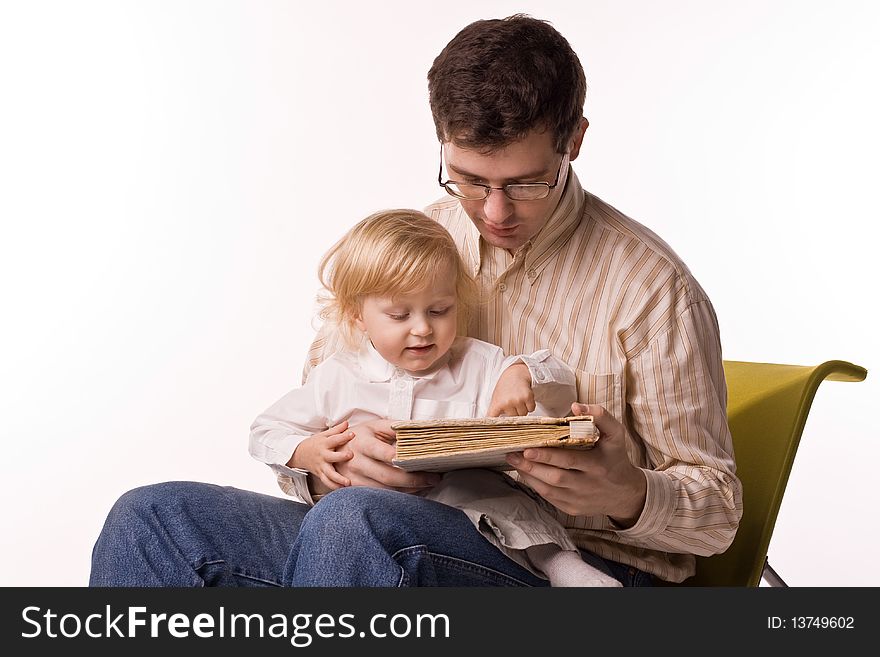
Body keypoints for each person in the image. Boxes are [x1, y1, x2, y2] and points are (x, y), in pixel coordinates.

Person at [90, 14, 742, 587]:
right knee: (152, 520)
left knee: (356, 526)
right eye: (466, 179)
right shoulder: (408, 247)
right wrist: (332, 467)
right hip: (368, 535)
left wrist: (630, 492)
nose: (494, 211)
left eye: (525, 182)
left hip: (577, 565)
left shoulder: (653, 292)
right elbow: (317, 410)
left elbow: (717, 515)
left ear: (574, 141)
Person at [249, 208, 621, 587]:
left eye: (440, 310)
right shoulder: (338, 374)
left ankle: (563, 568)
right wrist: (305, 452)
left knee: (507, 505)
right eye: (399, 315)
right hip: (365, 524)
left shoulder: (478, 361)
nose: (423, 329)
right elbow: (265, 431)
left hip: (468, 523)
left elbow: (560, 381)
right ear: (357, 315)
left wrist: (521, 373)